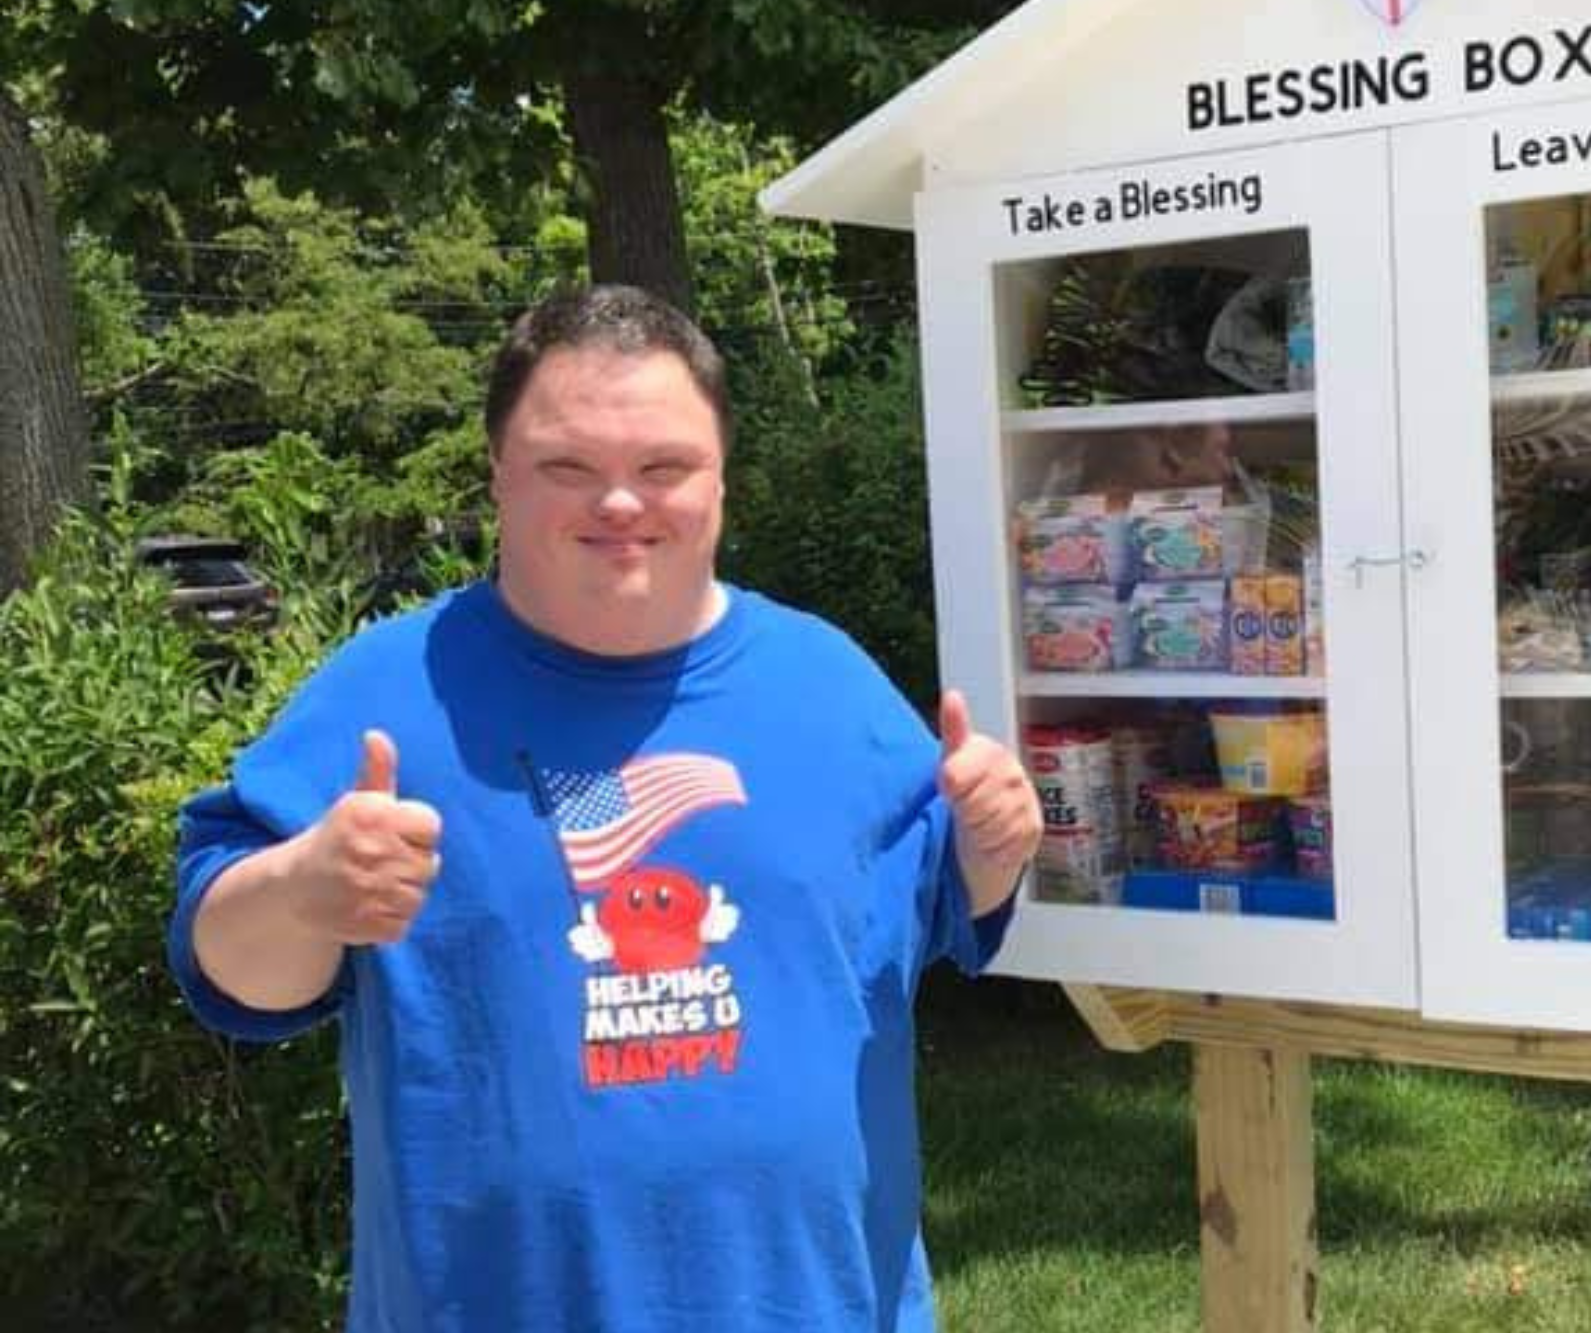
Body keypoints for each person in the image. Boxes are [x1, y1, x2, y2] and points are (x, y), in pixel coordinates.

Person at [168, 284, 1043, 1333]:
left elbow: (945, 908)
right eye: (567, 467)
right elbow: (228, 972)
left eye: (662, 468)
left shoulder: (829, 684)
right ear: (498, 474)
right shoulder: (391, 690)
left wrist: (995, 842)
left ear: (722, 482)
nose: (619, 503)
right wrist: (305, 891)